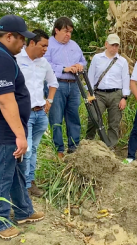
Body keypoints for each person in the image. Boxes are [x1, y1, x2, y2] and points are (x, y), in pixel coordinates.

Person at [0, 15, 44, 239]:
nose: (24, 43)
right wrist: (20, 135)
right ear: (9, 36)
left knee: (13, 173)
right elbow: (6, 100)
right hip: (1, 129)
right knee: (1, 176)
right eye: (22, 38)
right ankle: (0, 223)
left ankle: (24, 211)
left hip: (1, 127)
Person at [16, 29, 59, 197]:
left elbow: (53, 83)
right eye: (43, 45)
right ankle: (23, 184)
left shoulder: (44, 63)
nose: (45, 49)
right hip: (24, 113)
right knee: (25, 150)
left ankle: (29, 182)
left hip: (40, 113)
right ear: (32, 43)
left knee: (33, 149)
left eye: (47, 46)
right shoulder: (17, 59)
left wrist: (49, 100)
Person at [44, 17, 87, 158]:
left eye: (70, 32)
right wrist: (64, 68)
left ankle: (74, 147)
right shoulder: (48, 44)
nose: (68, 34)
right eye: (65, 31)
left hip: (74, 85)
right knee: (56, 118)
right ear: (56, 30)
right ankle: (59, 150)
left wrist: (80, 65)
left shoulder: (74, 45)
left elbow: (83, 61)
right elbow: (45, 64)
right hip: (56, 84)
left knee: (73, 116)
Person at [86, 34, 130, 148]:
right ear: (106, 44)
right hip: (99, 94)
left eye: (116, 45)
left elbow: (126, 79)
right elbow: (90, 77)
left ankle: (110, 147)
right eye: (112, 45)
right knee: (93, 118)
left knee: (114, 123)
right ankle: (88, 143)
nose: (114, 48)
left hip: (116, 94)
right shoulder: (97, 58)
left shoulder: (122, 61)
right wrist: (89, 93)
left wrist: (124, 98)